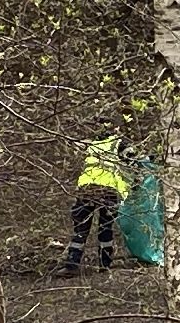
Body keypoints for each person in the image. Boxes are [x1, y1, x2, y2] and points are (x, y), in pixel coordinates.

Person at [56, 103, 142, 278]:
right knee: (105, 228)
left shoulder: (91, 144)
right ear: (115, 127)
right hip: (107, 191)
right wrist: (138, 182)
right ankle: (105, 265)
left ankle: (72, 265)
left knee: (81, 228)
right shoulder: (119, 143)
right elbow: (134, 163)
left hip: (86, 190)